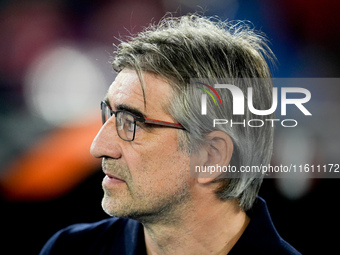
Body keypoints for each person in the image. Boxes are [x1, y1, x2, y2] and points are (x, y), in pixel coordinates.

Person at [40, 14, 301, 255]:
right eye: (110, 114)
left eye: (132, 123)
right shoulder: (68, 249)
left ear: (211, 157)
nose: (98, 147)